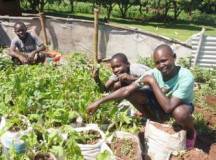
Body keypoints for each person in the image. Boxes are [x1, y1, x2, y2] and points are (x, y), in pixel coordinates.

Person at [87, 44, 196, 149]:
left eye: (164, 60)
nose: (161, 65)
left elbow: (168, 107)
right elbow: (126, 90)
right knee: (132, 94)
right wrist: (99, 102)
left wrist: (152, 82)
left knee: (180, 113)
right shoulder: (153, 73)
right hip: (161, 102)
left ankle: (191, 133)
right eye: (157, 63)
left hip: (180, 105)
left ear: (174, 57)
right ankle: (154, 121)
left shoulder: (185, 76)